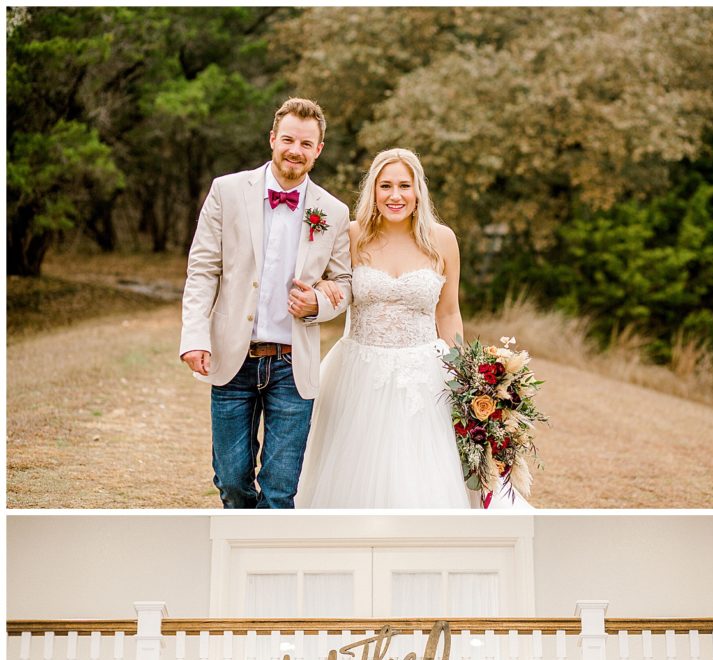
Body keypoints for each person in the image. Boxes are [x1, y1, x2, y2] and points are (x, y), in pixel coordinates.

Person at [295, 148, 533, 510]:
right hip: (358, 371)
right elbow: (330, 286)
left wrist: (465, 378)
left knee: (424, 472)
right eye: (385, 185)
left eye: (404, 185)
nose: (395, 195)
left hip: (425, 374)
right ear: (372, 190)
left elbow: (449, 313)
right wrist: (322, 290)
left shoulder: (442, 240)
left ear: (418, 190)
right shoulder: (351, 236)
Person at [179, 97, 352, 508]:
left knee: (279, 490)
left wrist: (317, 304)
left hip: (294, 367)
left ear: (318, 150)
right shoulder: (227, 190)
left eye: (306, 144)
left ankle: (269, 570)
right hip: (233, 358)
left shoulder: (334, 210)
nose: (296, 150)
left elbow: (344, 283)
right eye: (288, 139)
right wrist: (194, 337)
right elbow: (202, 269)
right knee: (233, 482)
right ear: (273, 139)